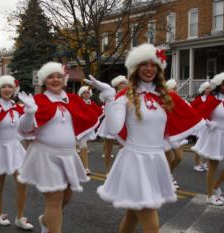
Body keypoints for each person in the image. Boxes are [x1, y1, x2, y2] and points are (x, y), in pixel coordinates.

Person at [88, 44, 204, 233]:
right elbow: (114, 127)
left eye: (153, 65)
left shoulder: (166, 96)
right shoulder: (124, 96)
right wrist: (109, 98)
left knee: (133, 215)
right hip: (134, 160)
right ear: (136, 68)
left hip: (156, 159)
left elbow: (191, 120)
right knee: (149, 213)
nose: (149, 69)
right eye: (144, 65)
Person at [17, 62, 99, 233]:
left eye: (58, 76)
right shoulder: (38, 101)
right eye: (50, 76)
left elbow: (88, 117)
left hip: (68, 155)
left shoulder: (72, 100)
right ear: (44, 81)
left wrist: (110, 97)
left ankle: (46, 220)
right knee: (54, 200)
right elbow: (24, 129)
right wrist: (30, 113)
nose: (55, 79)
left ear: (64, 79)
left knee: (66, 198)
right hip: (46, 154)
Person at [0, 75, 33, 230]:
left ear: (14, 89)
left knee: (22, 183)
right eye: (4, 87)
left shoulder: (17, 108)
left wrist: (30, 112)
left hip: (15, 148)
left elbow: (26, 129)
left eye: (10, 86)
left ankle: (20, 217)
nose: (7, 89)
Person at [192, 73, 224, 206]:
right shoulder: (213, 99)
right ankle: (209, 195)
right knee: (213, 166)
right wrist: (210, 124)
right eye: (223, 84)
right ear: (218, 85)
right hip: (215, 136)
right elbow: (198, 114)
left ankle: (216, 187)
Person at [98, 75, 127, 175]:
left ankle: (121, 169)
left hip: (124, 122)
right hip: (110, 121)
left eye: (124, 83)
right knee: (109, 147)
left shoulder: (128, 95)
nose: (123, 85)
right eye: (121, 83)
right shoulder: (112, 95)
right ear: (116, 85)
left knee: (123, 147)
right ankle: (107, 170)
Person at [77, 86, 103, 175]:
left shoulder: (92, 103)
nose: (86, 94)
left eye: (87, 92)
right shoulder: (79, 103)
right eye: (84, 93)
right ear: (81, 94)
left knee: (83, 148)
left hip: (88, 129)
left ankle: (81, 166)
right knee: (83, 148)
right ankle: (86, 167)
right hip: (80, 128)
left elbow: (99, 112)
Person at [191, 81, 211, 172]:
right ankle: (196, 164)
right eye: (207, 88)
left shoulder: (211, 99)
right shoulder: (198, 100)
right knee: (199, 145)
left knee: (210, 144)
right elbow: (192, 111)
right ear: (203, 89)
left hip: (210, 125)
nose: (209, 90)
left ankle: (205, 162)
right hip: (201, 125)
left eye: (210, 88)